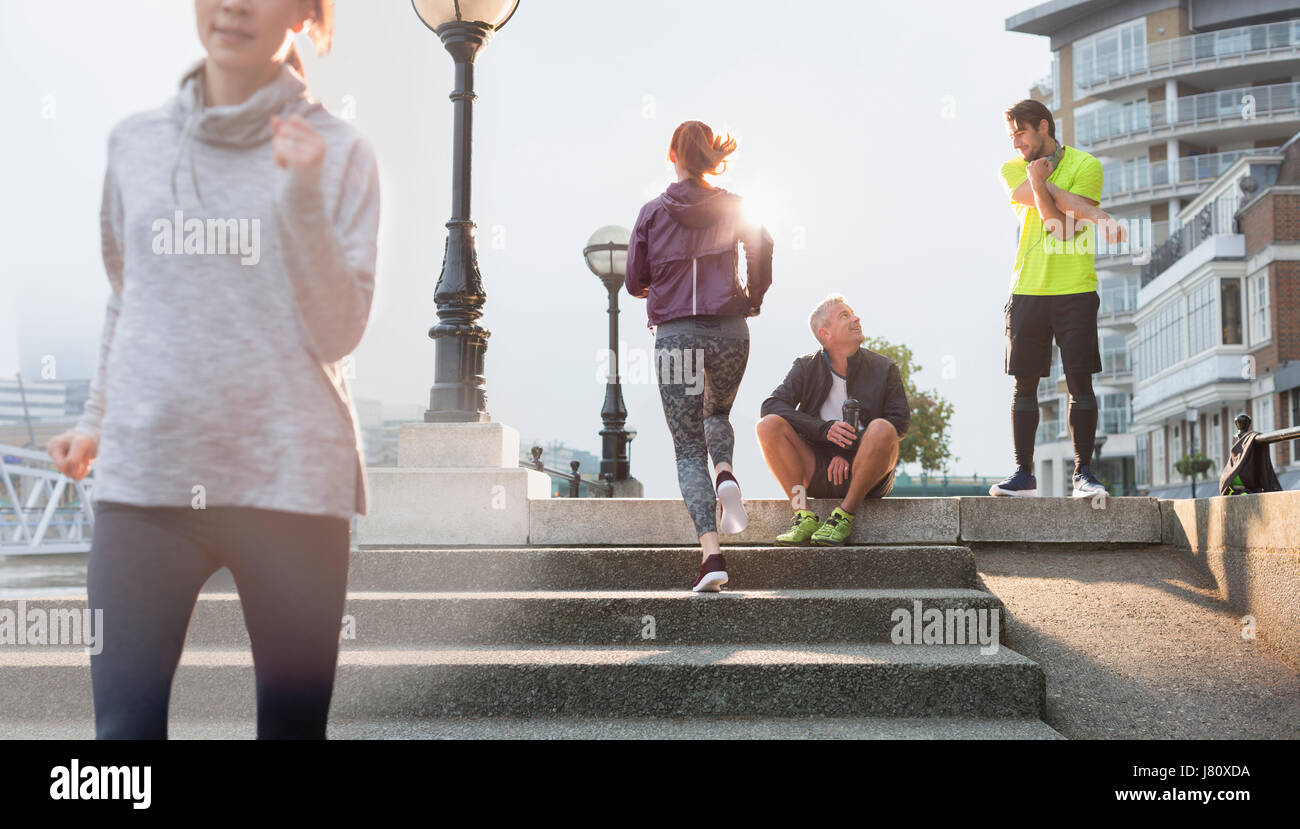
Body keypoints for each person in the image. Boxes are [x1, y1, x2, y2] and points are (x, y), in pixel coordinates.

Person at [44, 0, 379, 739]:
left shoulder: (341, 150)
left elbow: (336, 333)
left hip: (290, 483)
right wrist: (95, 421)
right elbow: (127, 298)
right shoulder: (134, 144)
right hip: (147, 480)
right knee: (121, 744)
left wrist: (298, 201)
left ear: (301, 12)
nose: (232, 3)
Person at [626, 120, 773, 592]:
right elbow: (763, 246)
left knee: (688, 446)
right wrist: (753, 296)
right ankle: (726, 472)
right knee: (718, 410)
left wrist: (663, 284)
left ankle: (712, 558)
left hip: (675, 335)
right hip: (730, 329)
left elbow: (633, 281)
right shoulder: (735, 206)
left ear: (673, 154)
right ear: (712, 155)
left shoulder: (651, 213)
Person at [992, 99, 1122, 499]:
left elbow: (1064, 228)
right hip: (1027, 288)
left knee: (1079, 382)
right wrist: (1099, 217)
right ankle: (1023, 475)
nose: (1015, 143)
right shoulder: (1012, 167)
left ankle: (1084, 474)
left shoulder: (1087, 165)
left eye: (1020, 133)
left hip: (1075, 289)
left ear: (1043, 126)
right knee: (1024, 385)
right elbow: (1054, 216)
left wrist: (1046, 188)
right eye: (1010, 135)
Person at [756, 296, 908, 546]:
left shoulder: (884, 368)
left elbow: (899, 423)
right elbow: (771, 405)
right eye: (844, 316)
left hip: (868, 476)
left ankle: (843, 517)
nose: (856, 319)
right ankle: (802, 515)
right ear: (825, 333)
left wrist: (848, 453)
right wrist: (823, 431)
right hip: (818, 470)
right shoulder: (805, 367)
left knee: (883, 427)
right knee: (768, 425)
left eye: (853, 313)